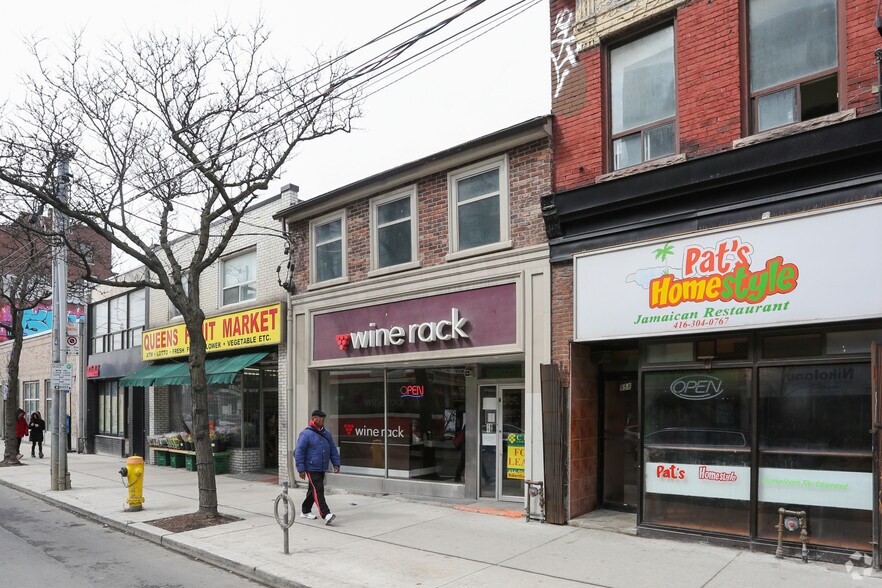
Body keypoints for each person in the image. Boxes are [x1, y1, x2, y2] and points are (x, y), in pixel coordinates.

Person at [294, 409, 340, 525]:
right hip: (311, 467)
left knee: (312, 489)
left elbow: (333, 450)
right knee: (318, 489)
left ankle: (305, 511)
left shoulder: (326, 434)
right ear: (314, 419)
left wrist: (336, 463)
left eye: (324, 419)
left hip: (321, 467)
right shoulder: (306, 434)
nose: (323, 421)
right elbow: (299, 451)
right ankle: (326, 514)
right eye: (320, 419)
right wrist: (301, 469)